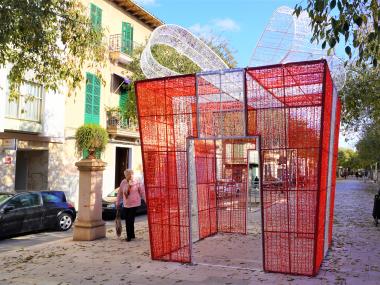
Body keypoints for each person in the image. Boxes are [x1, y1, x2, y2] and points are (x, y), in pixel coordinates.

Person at [116, 169, 146, 241]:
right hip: (126, 204)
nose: (130, 176)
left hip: (135, 203)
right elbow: (120, 193)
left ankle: (129, 237)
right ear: (125, 175)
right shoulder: (123, 182)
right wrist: (117, 202)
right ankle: (132, 235)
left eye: (131, 174)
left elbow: (142, 192)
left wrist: (146, 200)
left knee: (129, 219)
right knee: (128, 219)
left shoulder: (136, 181)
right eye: (128, 175)